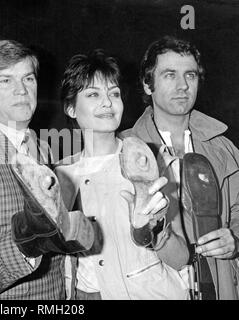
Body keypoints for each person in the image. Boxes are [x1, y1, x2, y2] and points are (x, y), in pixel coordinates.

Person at [0, 39, 93, 300]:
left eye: (28, 79)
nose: (21, 90)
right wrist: (28, 239)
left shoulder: (41, 148)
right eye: (5, 80)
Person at [55, 49, 189, 299]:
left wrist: (154, 229)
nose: (107, 102)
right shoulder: (59, 175)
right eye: (93, 94)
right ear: (71, 108)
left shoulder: (153, 163)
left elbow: (180, 258)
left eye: (114, 93)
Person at [122, 35, 239, 299]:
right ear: (147, 83)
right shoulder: (126, 148)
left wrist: (236, 241)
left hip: (219, 284)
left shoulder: (223, 148)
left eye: (191, 75)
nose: (183, 85)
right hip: (152, 287)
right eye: (169, 75)